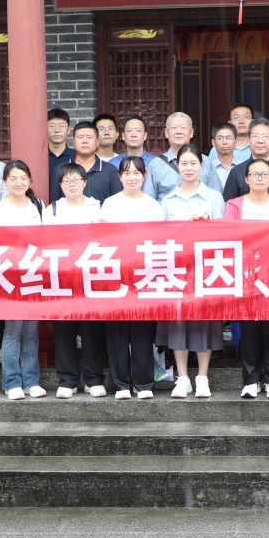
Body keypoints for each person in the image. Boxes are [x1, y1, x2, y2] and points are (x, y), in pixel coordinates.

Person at [159, 144, 225, 399]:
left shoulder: (214, 197)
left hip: (206, 269)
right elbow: (161, 238)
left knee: (204, 323)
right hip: (176, 270)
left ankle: (203, 377)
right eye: (184, 163)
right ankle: (183, 377)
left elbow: (224, 235)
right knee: (178, 323)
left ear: (202, 166)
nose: (188, 168)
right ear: (177, 166)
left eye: (193, 163)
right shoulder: (167, 200)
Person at [99, 157, 165, 398]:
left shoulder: (153, 206)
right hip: (115, 276)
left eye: (137, 173)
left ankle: (144, 383)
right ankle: (121, 384)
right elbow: (102, 239)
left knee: (142, 331)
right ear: (120, 177)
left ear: (144, 176)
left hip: (143, 275)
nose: (132, 177)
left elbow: (160, 240)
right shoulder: (109, 204)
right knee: (116, 331)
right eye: (127, 173)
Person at [226, 157, 269, 400]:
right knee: (250, 328)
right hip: (246, 273)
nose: (260, 178)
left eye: (264, 174)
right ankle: (251, 379)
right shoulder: (235, 205)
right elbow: (228, 237)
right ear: (246, 179)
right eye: (255, 174)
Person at [45, 163, 106, 398]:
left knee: (92, 328)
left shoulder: (98, 207)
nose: (72, 184)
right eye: (66, 180)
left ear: (85, 182)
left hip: (91, 275)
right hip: (61, 276)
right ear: (60, 185)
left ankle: (93, 379)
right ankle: (67, 380)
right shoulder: (52, 210)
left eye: (76, 180)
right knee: (63, 328)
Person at [0, 161, 47, 400]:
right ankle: (11, 382)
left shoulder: (38, 206)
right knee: (13, 330)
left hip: (33, 274)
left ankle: (31, 381)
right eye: (13, 178)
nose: (19, 183)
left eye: (23, 178)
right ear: (5, 182)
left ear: (30, 180)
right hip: (10, 276)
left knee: (31, 330)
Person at [51, 121, 122, 203]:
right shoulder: (60, 169)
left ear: (97, 142)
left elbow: (117, 202)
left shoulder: (110, 170)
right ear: (73, 142)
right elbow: (55, 202)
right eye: (80, 137)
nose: (85, 141)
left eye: (89, 137)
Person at [120, 116, 177, 201]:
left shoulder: (156, 162)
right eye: (129, 131)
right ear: (123, 136)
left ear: (145, 135)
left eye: (138, 131)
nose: (133, 135)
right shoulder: (113, 163)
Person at [201, 123, 242, 194]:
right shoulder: (206, 168)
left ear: (236, 142)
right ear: (213, 143)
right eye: (220, 138)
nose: (224, 142)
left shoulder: (243, 167)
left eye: (229, 138)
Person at [46, 107, 75, 184]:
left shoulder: (76, 156)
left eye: (61, 126)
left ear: (68, 130)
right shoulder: (38, 157)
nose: (57, 130)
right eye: (52, 126)